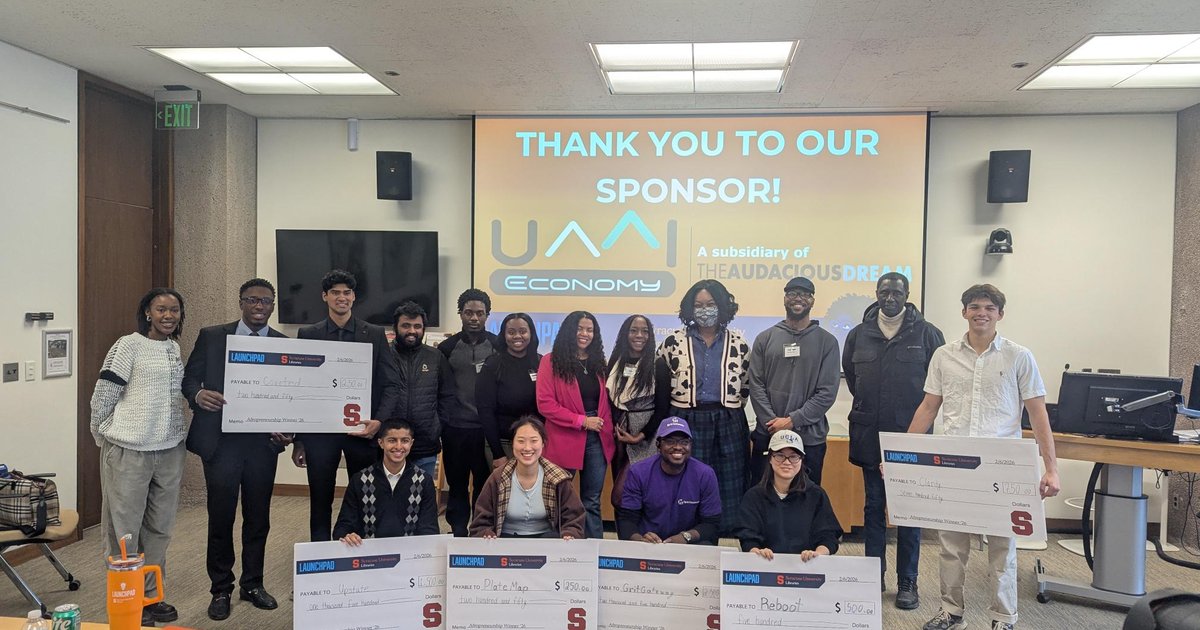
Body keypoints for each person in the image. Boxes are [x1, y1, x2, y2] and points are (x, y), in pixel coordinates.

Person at [911, 284, 1060, 630]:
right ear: (964, 312)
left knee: (1001, 550)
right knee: (950, 546)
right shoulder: (944, 356)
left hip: (1001, 466)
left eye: (989, 308)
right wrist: (903, 455)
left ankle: (1003, 618)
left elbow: (1038, 415)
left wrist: (1051, 469)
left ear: (1000, 315)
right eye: (974, 307)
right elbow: (928, 407)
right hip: (954, 464)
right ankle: (951, 612)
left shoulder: (1019, 356)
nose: (982, 313)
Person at [182, 278, 289, 621]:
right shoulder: (213, 336)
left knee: (258, 518)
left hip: (262, 445)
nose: (259, 307)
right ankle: (221, 589)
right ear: (241, 302)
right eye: (252, 300)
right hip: (222, 443)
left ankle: (253, 583)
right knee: (221, 516)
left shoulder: (283, 344)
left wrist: (290, 428)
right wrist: (198, 395)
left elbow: (292, 396)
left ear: (273, 306)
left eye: (265, 302)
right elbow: (189, 379)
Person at [842, 271, 945, 609]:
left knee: (910, 511)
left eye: (896, 292)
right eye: (884, 291)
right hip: (870, 436)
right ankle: (874, 576)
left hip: (910, 438)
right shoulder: (859, 335)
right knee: (873, 508)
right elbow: (857, 383)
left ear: (907, 294)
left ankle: (908, 582)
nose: (889, 298)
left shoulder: (928, 334)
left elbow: (937, 389)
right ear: (876, 293)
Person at [90, 287, 187, 626]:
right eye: (161, 309)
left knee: (159, 529)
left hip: (170, 449)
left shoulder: (174, 348)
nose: (168, 316)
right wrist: (103, 434)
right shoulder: (127, 345)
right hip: (129, 450)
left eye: (174, 310)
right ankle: (127, 599)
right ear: (147, 312)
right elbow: (103, 396)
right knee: (124, 531)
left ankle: (150, 595)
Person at [293, 269, 402, 542]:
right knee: (320, 498)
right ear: (325, 297)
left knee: (365, 497)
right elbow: (300, 388)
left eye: (346, 293)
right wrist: (299, 441)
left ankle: (362, 556)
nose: (341, 298)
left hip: (363, 433)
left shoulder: (374, 334)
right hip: (320, 435)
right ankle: (320, 556)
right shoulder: (308, 334)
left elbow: (391, 385)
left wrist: (378, 422)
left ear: (354, 297)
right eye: (335, 293)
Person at [657, 279, 751, 536]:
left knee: (727, 486)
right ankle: (684, 537)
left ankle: (718, 537)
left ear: (722, 306)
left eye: (710, 304)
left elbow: (745, 385)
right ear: (689, 308)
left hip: (728, 421)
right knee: (684, 482)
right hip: (685, 420)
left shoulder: (739, 344)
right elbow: (660, 384)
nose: (705, 309)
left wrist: (728, 409)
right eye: (698, 305)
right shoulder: (672, 343)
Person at [747, 276, 841, 486]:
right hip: (768, 434)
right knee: (762, 495)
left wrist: (792, 421)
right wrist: (773, 423)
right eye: (792, 293)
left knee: (805, 498)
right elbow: (756, 384)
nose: (798, 299)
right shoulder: (765, 338)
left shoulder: (828, 343)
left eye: (805, 294)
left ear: (812, 300)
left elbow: (827, 392)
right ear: (785, 298)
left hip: (810, 439)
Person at [536, 310, 615, 539]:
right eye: (580, 328)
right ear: (569, 331)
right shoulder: (550, 361)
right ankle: (558, 549)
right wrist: (581, 421)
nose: (585, 334)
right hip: (565, 436)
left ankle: (594, 552)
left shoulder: (599, 363)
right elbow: (545, 404)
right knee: (560, 497)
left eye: (590, 329)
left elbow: (605, 403)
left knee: (591, 500)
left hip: (597, 438)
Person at [438, 289, 501, 537]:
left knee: (485, 486)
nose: (474, 318)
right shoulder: (446, 348)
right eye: (468, 313)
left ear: (487, 315)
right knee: (457, 486)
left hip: (486, 431)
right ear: (460, 314)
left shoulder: (498, 345)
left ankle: (480, 529)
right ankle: (458, 531)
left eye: (479, 313)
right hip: (455, 430)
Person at [470, 416, 586, 539]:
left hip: (547, 543)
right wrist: (486, 533)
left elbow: (574, 519)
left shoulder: (558, 478)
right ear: (512, 444)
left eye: (534, 441)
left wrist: (570, 533)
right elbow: (480, 523)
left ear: (543, 444)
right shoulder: (497, 478)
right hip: (504, 543)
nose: (527, 447)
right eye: (521, 441)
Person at [735, 430, 842, 562]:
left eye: (793, 456)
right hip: (766, 566)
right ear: (770, 458)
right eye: (779, 455)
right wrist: (757, 552)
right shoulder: (753, 496)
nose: (787, 462)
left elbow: (828, 537)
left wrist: (817, 554)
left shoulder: (816, 495)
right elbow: (748, 538)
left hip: (806, 568)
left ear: (802, 460)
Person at [616, 417, 721, 545]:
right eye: (670, 441)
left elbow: (712, 523)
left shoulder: (705, 474)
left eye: (684, 442)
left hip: (688, 544)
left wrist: (685, 536)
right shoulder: (638, 472)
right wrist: (641, 540)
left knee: (707, 546)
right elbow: (627, 520)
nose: (678, 447)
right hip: (649, 545)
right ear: (658, 445)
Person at [334, 419, 439, 544]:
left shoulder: (424, 481)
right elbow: (343, 526)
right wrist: (347, 535)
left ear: (411, 443)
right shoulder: (360, 480)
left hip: (409, 553)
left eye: (405, 441)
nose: (399, 446)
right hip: (370, 556)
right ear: (381, 443)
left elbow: (429, 528)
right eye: (392, 440)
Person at [390, 301, 457, 479]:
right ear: (395, 327)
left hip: (425, 443)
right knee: (390, 498)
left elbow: (448, 395)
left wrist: (437, 426)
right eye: (406, 325)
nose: (412, 331)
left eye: (417, 326)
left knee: (420, 498)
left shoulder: (436, 357)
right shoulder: (384, 355)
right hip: (391, 444)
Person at [477, 312, 542, 468]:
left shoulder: (541, 363)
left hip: (534, 444)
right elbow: (485, 411)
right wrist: (498, 453)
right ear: (504, 335)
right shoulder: (492, 365)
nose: (517, 336)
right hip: (503, 443)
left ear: (531, 333)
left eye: (523, 331)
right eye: (511, 332)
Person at [607, 314, 667, 467]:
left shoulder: (658, 365)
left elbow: (663, 408)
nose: (639, 335)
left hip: (647, 437)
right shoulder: (615, 362)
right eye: (633, 330)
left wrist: (640, 436)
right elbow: (609, 401)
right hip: (619, 435)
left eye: (645, 331)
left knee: (641, 484)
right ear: (625, 334)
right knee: (619, 483)